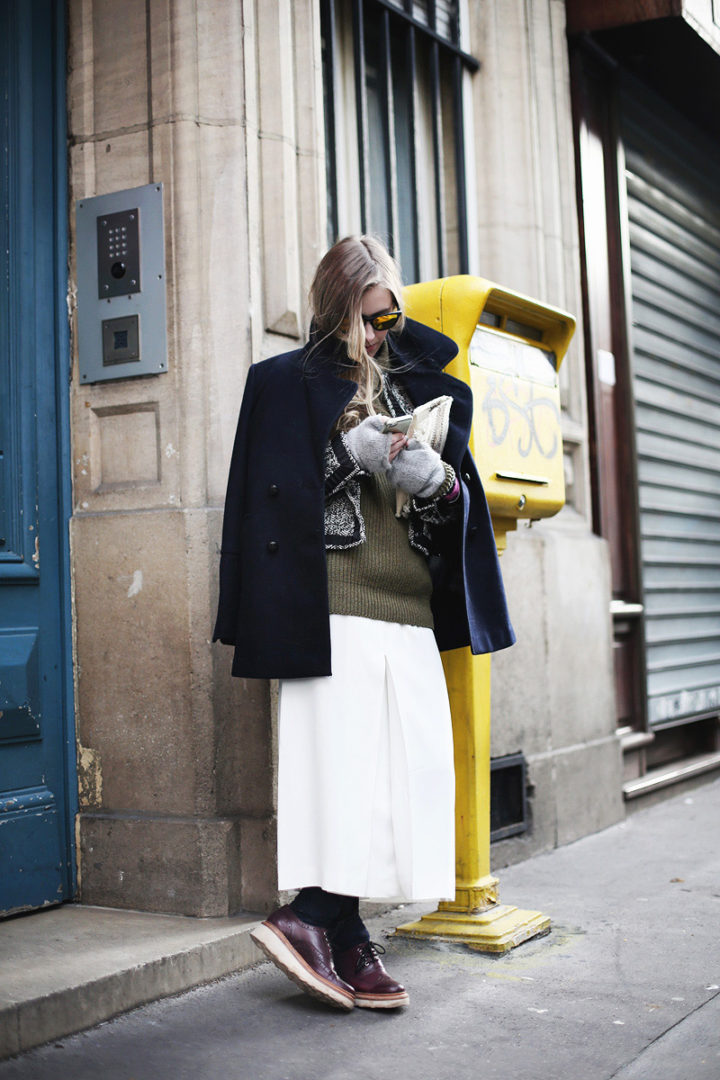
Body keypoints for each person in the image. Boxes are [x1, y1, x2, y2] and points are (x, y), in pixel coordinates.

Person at [213, 235, 515, 1012]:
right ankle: (316, 920)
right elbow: (265, 499)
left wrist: (437, 480)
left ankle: (336, 930)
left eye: (392, 317)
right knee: (345, 777)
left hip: (409, 607)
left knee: (397, 781)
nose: (383, 333)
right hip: (334, 608)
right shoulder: (284, 383)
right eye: (370, 317)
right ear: (338, 306)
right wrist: (347, 454)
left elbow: (457, 507)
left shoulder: (422, 381)